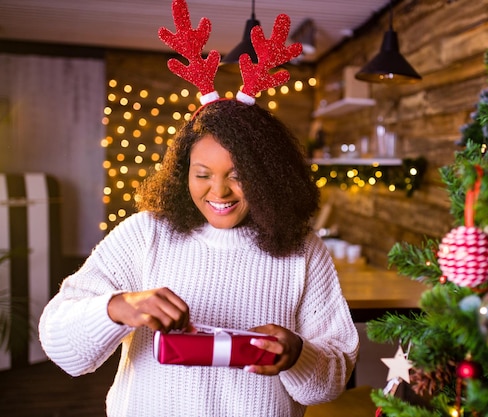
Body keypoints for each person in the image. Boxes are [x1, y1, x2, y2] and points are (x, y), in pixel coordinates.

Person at [38, 98, 359, 417]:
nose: (219, 192)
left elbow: (329, 385)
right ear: (183, 172)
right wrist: (118, 308)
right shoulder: (145, 234)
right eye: (203, 174)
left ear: (268, 176)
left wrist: (297, 355)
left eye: (238, 175)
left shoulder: (302, 248)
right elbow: (63, 349)